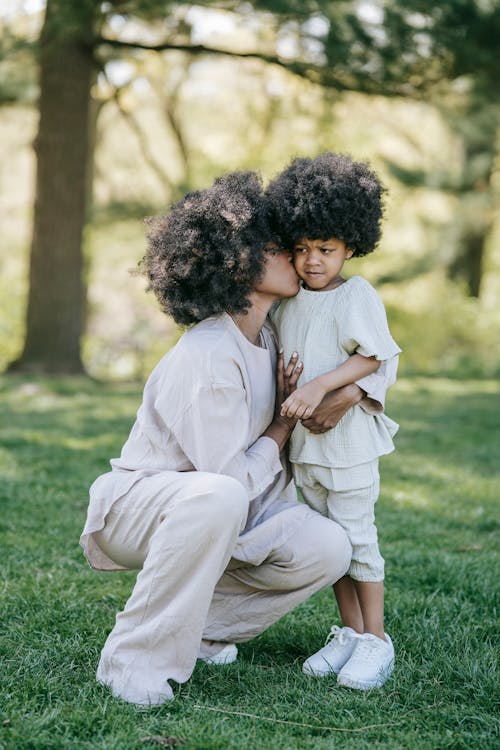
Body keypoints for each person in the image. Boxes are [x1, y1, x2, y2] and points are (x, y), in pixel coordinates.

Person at [80, 170, 392, 707]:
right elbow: (226, 480)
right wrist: (282, 426)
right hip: (147, 507)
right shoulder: (208, 353)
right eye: (279, 249)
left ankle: (200, 632)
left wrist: (352, 394)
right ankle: (133, 663)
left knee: (329, 546)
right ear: (238, 263)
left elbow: (370, 353)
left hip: (228, 509)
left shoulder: (273, 333)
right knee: (220, 494)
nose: (299, 260)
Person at [266, 153, 401, 690]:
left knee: (359, 540)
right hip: (306, 449)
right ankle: (349, 633)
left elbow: (375, 357)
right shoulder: (289, 301)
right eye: (302, 249)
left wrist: (323, 386)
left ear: (351, 245)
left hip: (348, 448)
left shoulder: (356, 295)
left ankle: (377, 640)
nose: (312, 260)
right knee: (333, 545)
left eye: (326, 249)